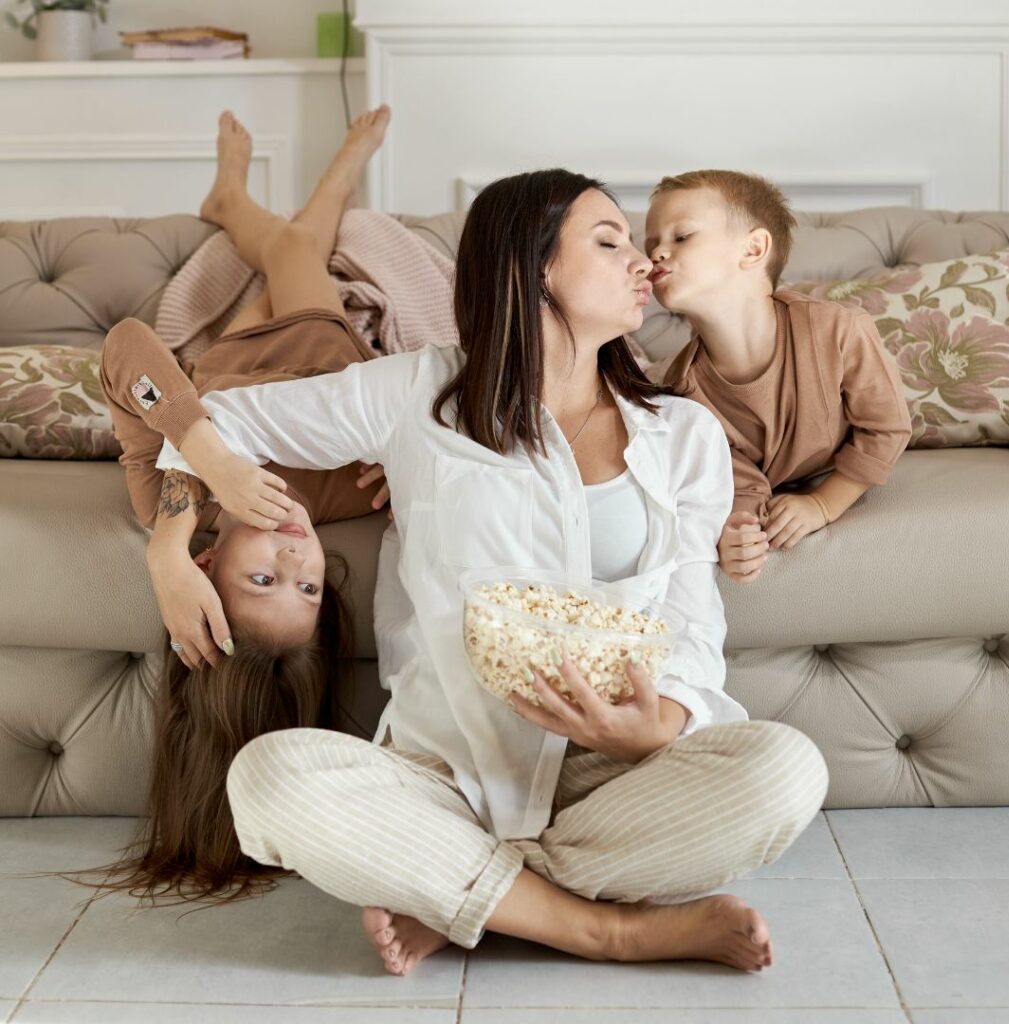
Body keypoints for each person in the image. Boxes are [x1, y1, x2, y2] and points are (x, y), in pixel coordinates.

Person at [157, 167, 829, 973]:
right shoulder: (418, 393)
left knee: (788, 770)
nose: (644, 263)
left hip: (612, 778)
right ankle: (606, 929)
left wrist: (657, 726)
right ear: (534, 265)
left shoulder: (683, 435)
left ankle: (465, 895)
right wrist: (168, 544)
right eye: (611, 242)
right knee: (267, 781)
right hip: (446, 775)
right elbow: (212, 416)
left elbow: (690, 622)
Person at [91, 106, 393, 902]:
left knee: (287, 253)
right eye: (309, 586)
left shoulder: (166, 501)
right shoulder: (342, 489)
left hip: (229, 361)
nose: (297, 556)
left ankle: (234, 195)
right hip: (328, 345)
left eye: (263, 580)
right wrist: (411, 459)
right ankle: (258, 193)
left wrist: (198, 483)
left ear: (206, 565)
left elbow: (125, 346)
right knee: (295, 251)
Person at [645, 170, 912, 584]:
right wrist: (737, 533)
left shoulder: (838, 331)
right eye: (652, 244)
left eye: (681, 237)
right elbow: (735, 480)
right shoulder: (682, 392)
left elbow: (886, 428)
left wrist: (823, 505)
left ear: (753, 249)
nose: (657, 253)